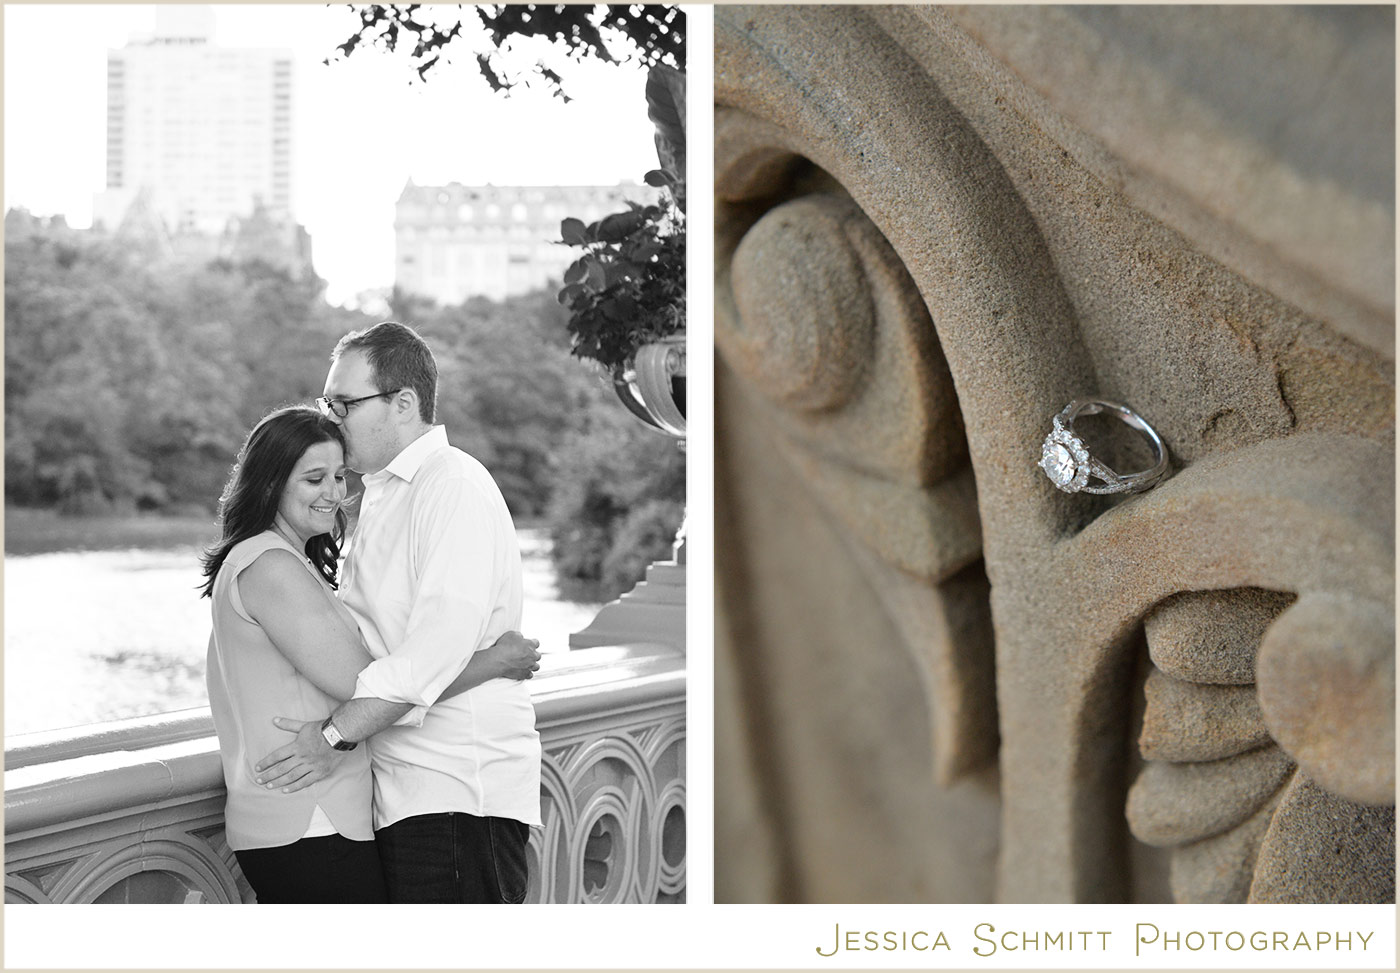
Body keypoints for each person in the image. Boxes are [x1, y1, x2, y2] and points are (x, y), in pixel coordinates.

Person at [200, 406, 540, 904]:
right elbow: (367, 685)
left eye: (339, 476)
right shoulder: (272, 566)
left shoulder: (283, 560)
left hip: (315, 817)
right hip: (309, 819)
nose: (335, 493)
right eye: (315, 478)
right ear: (269, 484)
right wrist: (493, 662)